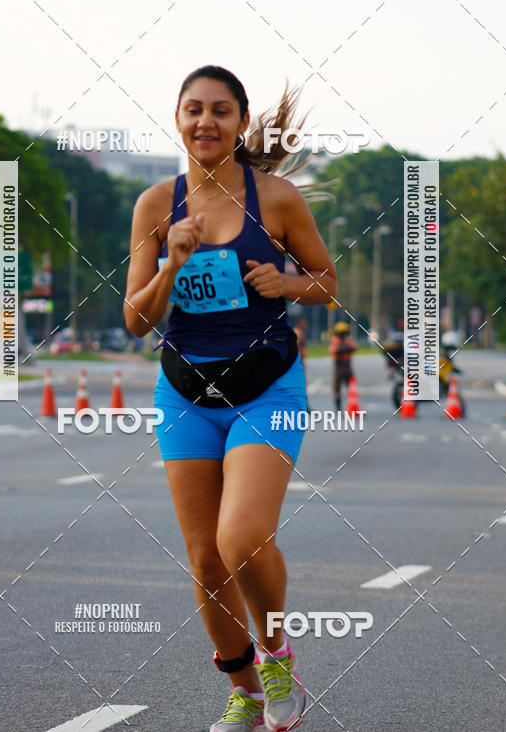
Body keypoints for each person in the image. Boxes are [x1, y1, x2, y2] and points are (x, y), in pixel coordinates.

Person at [123, 65, 336, 731]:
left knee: (241, 537)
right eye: (194, 109)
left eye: (220, 110)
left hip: (266, 388)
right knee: (207, 560)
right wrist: (171, 266)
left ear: (241, 123)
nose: (205, 121)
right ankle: (244, 692)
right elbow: (136, 319)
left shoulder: (275, 199)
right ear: (177, 119)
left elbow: (327, 282)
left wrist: (286, 283)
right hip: (185, 393)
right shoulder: (155, 206)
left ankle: (276, 656)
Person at [329, 321, 357, 411]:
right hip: (338, 368)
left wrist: (344, 348)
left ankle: (351, 407)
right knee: (337, 390)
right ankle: (338, 409)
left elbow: (354, 347)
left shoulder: (347, 340)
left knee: (351, 388)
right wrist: (344, 348)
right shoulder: (335, 340)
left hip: (347, 367)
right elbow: (334, 350)